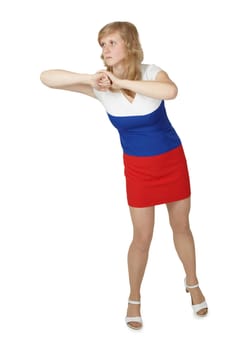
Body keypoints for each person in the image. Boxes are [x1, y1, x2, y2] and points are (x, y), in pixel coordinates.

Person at [40, 21, 208, 330]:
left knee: (181, 226)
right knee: (142, 237)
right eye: (102, 45)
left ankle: (193, 281)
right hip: (138, 169)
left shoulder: (150, 72)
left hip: (171, 162)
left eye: (111, 43)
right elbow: (46, 78)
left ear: (128, 44)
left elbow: (170, 91)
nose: (104, 50)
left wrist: (122, 83)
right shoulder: (99, 86)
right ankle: (134, 298)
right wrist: (92, 78)